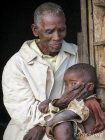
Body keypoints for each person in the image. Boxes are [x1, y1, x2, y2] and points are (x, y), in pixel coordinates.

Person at [2, 2, 87, 140]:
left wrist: (45, 123)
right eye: (49, 31)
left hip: (71, 125)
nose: (57, 37)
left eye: (62, 29)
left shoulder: (79, 53)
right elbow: (21, 109)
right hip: (27, 128)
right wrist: (46, 120)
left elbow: (85, 97)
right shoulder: (17, 64)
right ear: (35, 30)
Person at [40, 63, 105, 140]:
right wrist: (50, 104)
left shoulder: (89, 103)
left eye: (74, 83)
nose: (68, 88)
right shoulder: (76, 102)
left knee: (61, 124)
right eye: (66, 84)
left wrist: (48, 124)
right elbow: (62, 109)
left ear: (89, 87)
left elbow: (64, 115)